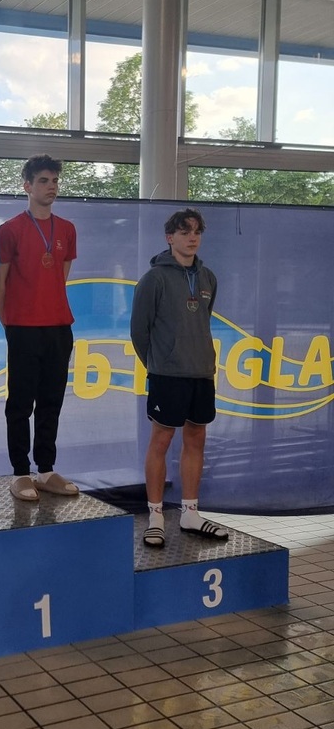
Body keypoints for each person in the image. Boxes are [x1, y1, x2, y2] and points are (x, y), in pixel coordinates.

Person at [130, 207, 228, 547]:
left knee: (196, 438)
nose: (192, 238)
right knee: (161, 440)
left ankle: (190, 513)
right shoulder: (154, 279)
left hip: (201, 372)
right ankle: (155, 516)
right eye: (185, 232)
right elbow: (139, 331)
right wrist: (160, 363)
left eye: (197, 232)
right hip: (167, 374)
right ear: (169, 237)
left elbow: (202, 321)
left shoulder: (208, 277)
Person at [0, 154, 79, 501]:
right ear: (27, 186)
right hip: (23, 328)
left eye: (55, 181)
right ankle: (20, 472)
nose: (51, 187)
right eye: (44, 181)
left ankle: (45, 469)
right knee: (20, 403)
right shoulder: (9, 230)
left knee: (51, 401)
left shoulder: (67, 229)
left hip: (58, 327)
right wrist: (11, 324)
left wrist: (47, 307)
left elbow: (60, 276)